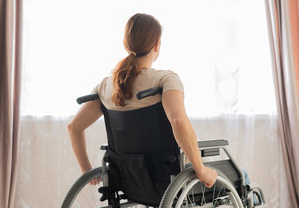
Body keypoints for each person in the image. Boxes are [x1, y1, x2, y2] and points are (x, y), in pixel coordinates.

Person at [67, 13, 218, 188]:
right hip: (167, 177)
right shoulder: (165, 80)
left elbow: (74, 127)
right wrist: (201, 170)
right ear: (156, 45)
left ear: (125, 44)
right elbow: (178, 121)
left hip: (129, 180)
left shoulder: (106, 86)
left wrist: (86, 169)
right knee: (237, 176)